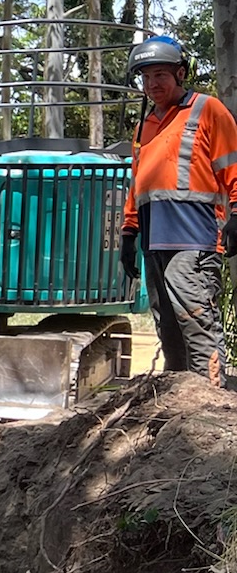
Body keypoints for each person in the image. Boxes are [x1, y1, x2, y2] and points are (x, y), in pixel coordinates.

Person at [120, 34, 237, 384]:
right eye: (146, 77)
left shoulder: (206, 109)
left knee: (196, 319)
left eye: (160, 75)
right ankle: (177, 404)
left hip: (194, 237)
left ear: (180, 74)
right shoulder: (145, 126)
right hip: (153, 238)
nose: (152, 84)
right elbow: (138, 184)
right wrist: (129, 233)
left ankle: (211, 404)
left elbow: (232, 163)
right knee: (167, 325)